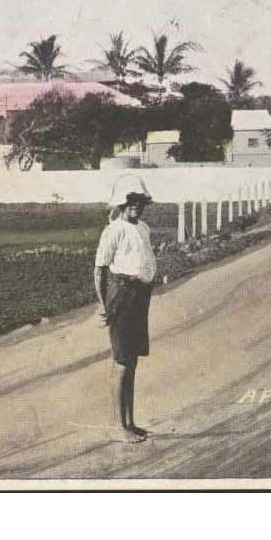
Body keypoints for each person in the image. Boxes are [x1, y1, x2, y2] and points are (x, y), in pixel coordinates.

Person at [93, 176, 158, 443]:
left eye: (140, 201)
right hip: (121, 294)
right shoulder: (113, 230)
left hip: (140, 296)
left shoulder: (143, 228)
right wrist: (103, 304)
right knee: (121, 361)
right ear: (122, 203)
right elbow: (99, 270)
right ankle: (120, 427)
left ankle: (131, 423)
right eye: (131, 201)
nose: (136, 206)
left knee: (131, 361)